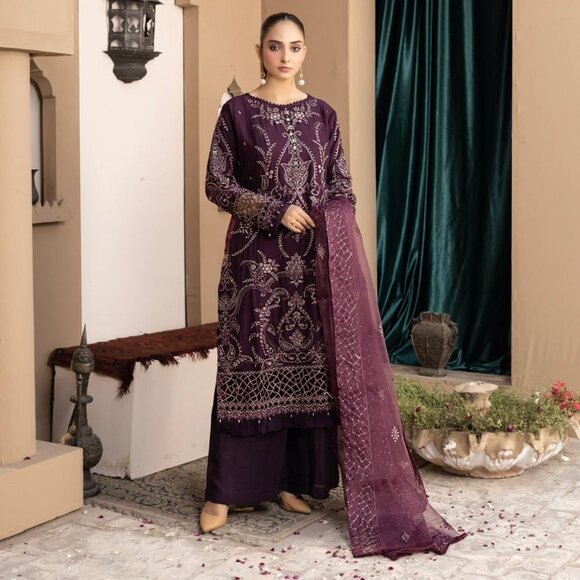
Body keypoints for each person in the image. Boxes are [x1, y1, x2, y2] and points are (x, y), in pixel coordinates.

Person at [201, 12, 466, 560]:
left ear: (305, 52)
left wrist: (330, 212)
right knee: (247, 367)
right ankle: (224, 492)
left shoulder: (323, 115)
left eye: (294, 47)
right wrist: (274, 210)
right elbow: (217, 183)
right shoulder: (237, 112)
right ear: (259, 50)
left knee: (308, 373)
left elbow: (341, 184)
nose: (285, 56)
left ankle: (290, 482)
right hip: (254, 267)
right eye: (275, 46)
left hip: (314, 267)